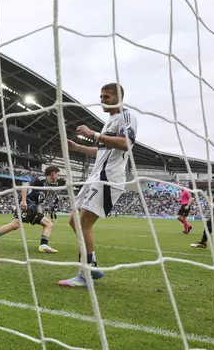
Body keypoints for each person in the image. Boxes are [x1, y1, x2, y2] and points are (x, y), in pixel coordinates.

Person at [59, 83, 138, 288]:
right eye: (101, 96)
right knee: (73, 221)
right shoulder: (110, 121)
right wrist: (77, 147)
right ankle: (92, 266)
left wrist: (93, 134)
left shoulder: (126, 117)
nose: (102, 99)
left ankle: (84, 274)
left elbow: (126, 143)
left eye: (107, 96)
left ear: (119, 97)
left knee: (84, 223)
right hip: (95, 176)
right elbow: (102, 151)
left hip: (108, 178)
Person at [0, 165, 61, 253]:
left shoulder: (46, 186)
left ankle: (43, 245)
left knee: (48, 224)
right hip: (27, 206)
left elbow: (38, 202)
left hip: (33, 209)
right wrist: (23, 201)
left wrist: (40, 212)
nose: (58, 177)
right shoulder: (41, 179)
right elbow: (25, 186)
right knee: (15, 225)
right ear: (53, 174)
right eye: (57, 174)